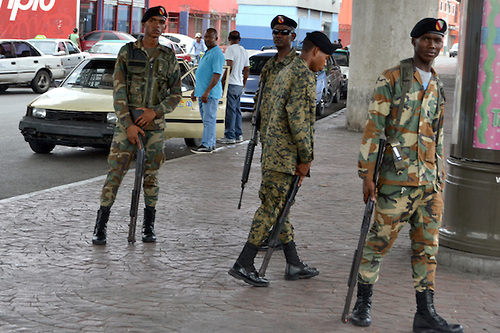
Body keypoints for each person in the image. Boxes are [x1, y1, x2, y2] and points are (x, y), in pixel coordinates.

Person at [352, 18, 463, 333]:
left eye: (438, 41)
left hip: (429, 185)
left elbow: (438, 133)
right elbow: (374, 128)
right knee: (378, 243)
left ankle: (425, 313)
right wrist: (367, 174)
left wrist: (439, 175)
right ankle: (363, 303)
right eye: (427, 39)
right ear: (414, 41)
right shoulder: (393, 78)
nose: (432, 45)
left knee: (427, 248)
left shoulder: (438, 83)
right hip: (396, 182)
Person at [228, 31, 334, 287]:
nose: (326, 64)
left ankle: (293, 262)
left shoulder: (287, 70)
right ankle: (244, 261)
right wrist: (306, 157)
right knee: (271, 207)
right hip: (286, 155)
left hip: (274, 150)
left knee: (280, 206)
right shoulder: (303, 75)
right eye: (326, 58)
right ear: (316, 52)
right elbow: (298, 120)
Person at [92, 6, 182, 245]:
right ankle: (100, 227)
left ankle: (148, 226)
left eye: (161, 22)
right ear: (144, 24)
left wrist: (155, 111)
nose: (157, 26)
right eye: (152, 21)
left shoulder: (168, 56)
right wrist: (128, 124)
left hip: (154, 127)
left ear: (164, 26)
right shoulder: (127, 52)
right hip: (127, 126)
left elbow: (176, 94)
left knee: (151, 177)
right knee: (115, 175)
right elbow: (118, 91)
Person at [257, 15, 298, 146]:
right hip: (267, 136)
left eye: (284, 32)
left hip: (287, 142)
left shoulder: (298, 67)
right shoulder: (269, 65)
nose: (278, 35)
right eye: (275, 32)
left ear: (293, 36)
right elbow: (260, 97)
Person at [190, 28, 225, 154]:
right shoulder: (207, 52)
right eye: (206, 37)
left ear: (216, 39)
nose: (207, 39)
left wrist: (207, 91)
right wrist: (196, 90)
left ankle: (207, 145)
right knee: (207, 120)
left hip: (209, 94)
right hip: (202, 92)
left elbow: (217, 74)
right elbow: (203, 74)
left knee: (209, 120)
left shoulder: (217, 54)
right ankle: (209, 143)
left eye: (210, 37)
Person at [217, 30, 250, 144]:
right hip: (239, 84)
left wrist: (223, 79)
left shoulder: (230, 49)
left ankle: (229, 135)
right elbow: (247, 69)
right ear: (239, 39)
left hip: (231, 83)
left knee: (230, 111)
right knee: (237, 110)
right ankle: (238, 134)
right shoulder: (243, 50)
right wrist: (244, 82)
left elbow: (229, 66)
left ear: (229, 39)